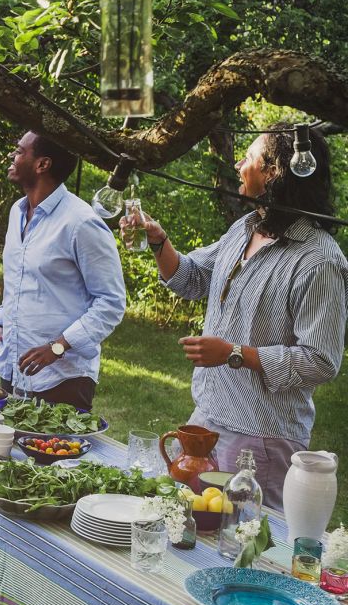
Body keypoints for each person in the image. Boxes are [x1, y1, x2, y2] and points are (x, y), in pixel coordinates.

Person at [120, 125, 348, 509]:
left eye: (249, 157)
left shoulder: (319, 261)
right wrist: (159, 241)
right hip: (207, 419)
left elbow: (321, 360)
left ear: (274, 172)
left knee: (244, 550)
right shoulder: (245, 228)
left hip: (260, 440)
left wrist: (235, 353)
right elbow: (193, 279)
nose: (239, 163)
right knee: (186, 530)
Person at [0, 132, 126, 410]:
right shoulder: (17, 211)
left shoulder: (82, 223)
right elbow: (20, 280)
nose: (12, 158)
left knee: (55, 454)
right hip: (12, 369)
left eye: (19, 151)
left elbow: (111, 303)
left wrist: (58, 347)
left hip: (62, 381)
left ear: (42, 165)